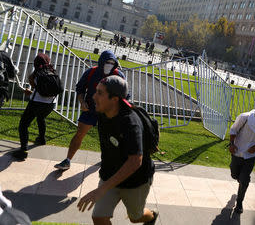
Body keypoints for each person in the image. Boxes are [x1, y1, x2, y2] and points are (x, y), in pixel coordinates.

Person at [77, 76, 158, 225]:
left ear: (114, 99)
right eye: (96, 92)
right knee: (99, 217)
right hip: (109, 175)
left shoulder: (131, 123)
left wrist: (101, 190)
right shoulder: (102, 113)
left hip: (136, 181)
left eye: (100, 93)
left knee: (135, 217)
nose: (94, 96)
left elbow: (135, 161)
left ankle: (152, 216)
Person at [54, 50, 125, 170]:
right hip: (91, 110)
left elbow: (125, 95)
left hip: (109, 113)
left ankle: (107, 160)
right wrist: (82, 102)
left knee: (109, 138)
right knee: (79, 134)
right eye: (107, 62)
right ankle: (67, 160)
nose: (109, 65)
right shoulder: (91, 72)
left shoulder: (119, 75)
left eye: (112, 63)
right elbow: (80, 88)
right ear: (101, 61)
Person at [11, 54, 57, 160]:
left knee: (23, 125)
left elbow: (33, 84)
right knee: (41, 118)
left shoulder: (37, 74)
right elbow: (44, 91)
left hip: (37, 103)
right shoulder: (53, 72)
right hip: (51, 104)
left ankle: (23, 151)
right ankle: (41, 139)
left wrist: (30, 92)